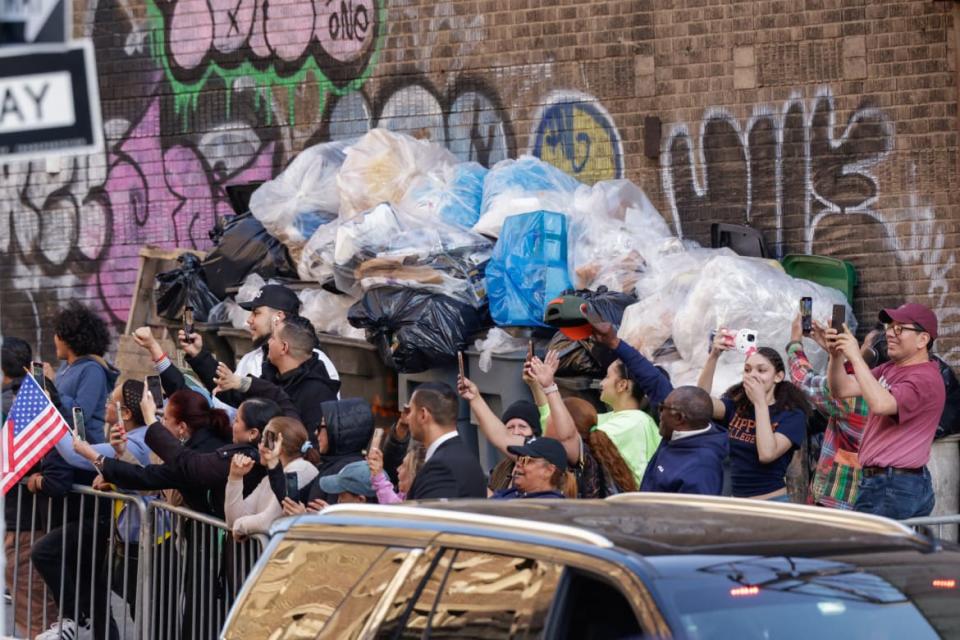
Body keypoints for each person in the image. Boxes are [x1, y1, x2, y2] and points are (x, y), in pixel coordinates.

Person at [826, 303, 945, 519]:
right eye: (889, 326)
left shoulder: (925, 378)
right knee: (888, 552)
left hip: (892, 486)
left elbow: (881, 404)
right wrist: (835, 355)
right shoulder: (890, 368)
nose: (890, 333)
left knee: (871, 552)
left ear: (923, 340)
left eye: (900, 328)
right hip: (889, 484)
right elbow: (840, 388)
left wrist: (855, 356)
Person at [787, 316, 888, 510]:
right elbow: (853, 374)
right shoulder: (896, 388)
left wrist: (795, 343)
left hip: (839, 494)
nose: (858, 351)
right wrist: (834, 352)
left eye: (864, 346)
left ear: (872, 355)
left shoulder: (851, 398)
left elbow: (804, 381)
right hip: (879, 495)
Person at [699, 334, 809, 501]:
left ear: (778, 377)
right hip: (737, 501)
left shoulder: (792, 415)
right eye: (747, 370)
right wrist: (713, 356)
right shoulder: (737, 406)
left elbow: (766, 454)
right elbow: (698, 403)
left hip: (771, 502)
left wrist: (760, 403)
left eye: (762, 370)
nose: (753, 375)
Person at [209, 316, 339, 443]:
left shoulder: (318, 392)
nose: (268, 343)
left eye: (272, 338)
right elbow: (241, 398)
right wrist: (198, 356)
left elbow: (305, 445)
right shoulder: (272, 373)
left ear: (284, 348)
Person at [524, 353, 637, 496]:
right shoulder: (599, 422)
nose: (601, 383)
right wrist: (536, 385)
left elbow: (566, 435)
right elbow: (549, 417)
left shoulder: (635, 421)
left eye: (607, 377)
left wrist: (549, 387)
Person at [271, 398, 376, 510]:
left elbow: (336, 523)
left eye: (321, 427)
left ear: (338, 430)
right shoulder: (329, 466)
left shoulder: (348, 470)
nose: (316, 432)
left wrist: (304, 518)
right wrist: (272, 463)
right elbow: (291, 502)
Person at [225, 417, 320, 535]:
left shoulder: (301, 468)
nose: (259, 446)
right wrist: (235, 478)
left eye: (265, 441)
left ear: (279, 446)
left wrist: (240, 527)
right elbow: (233, 520)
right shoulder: (268, 479)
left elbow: (267, 522)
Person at [46, 302, 119, 444]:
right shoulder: (66, 366)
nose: (55, 338)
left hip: (82, 453)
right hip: (61, 449)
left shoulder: (92, 370)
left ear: (69, 339)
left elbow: (80, 415)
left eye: (57, 334)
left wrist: (52, 390)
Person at [639, 386, 728, 495]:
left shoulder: (701, 469)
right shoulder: (675, 433)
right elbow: (655, 383)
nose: (660, 413)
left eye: (662, 408)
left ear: (678, 418)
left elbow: (691, 511)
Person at [405, 383, 485, 500]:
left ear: (423, 415)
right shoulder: (465, 457)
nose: (407, 418)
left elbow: (431, 517)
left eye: (410, 411)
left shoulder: (440, 468)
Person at [492, 438, 568, 499]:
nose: (518, 463)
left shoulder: (550, 507)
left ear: (548, 471)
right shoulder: (511, 493)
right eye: (519, 458)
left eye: (526, 460)